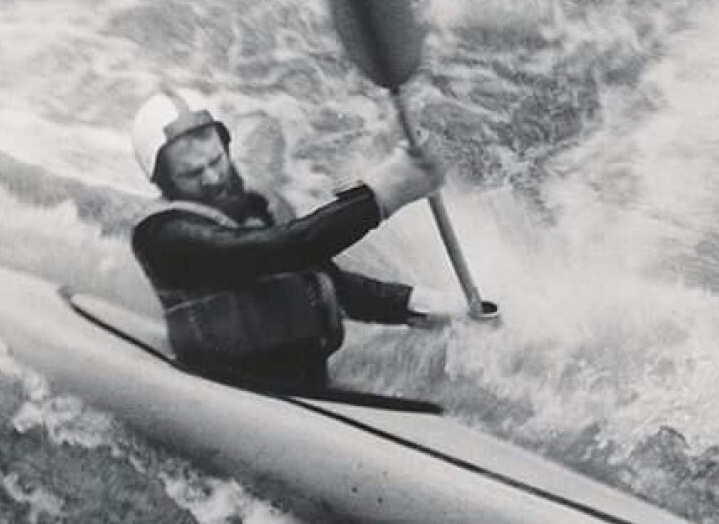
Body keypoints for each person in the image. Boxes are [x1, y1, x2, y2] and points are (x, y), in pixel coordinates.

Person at [128, 88, 470, 392]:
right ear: (163, 182)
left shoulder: (258, 209)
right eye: (192, 174)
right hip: (230, 391)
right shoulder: (166, 238)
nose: (213, 178)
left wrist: (424, 305)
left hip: (308, 390)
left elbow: (331, 284)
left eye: (216, 161)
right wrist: (381, 195)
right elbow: (282, 250)